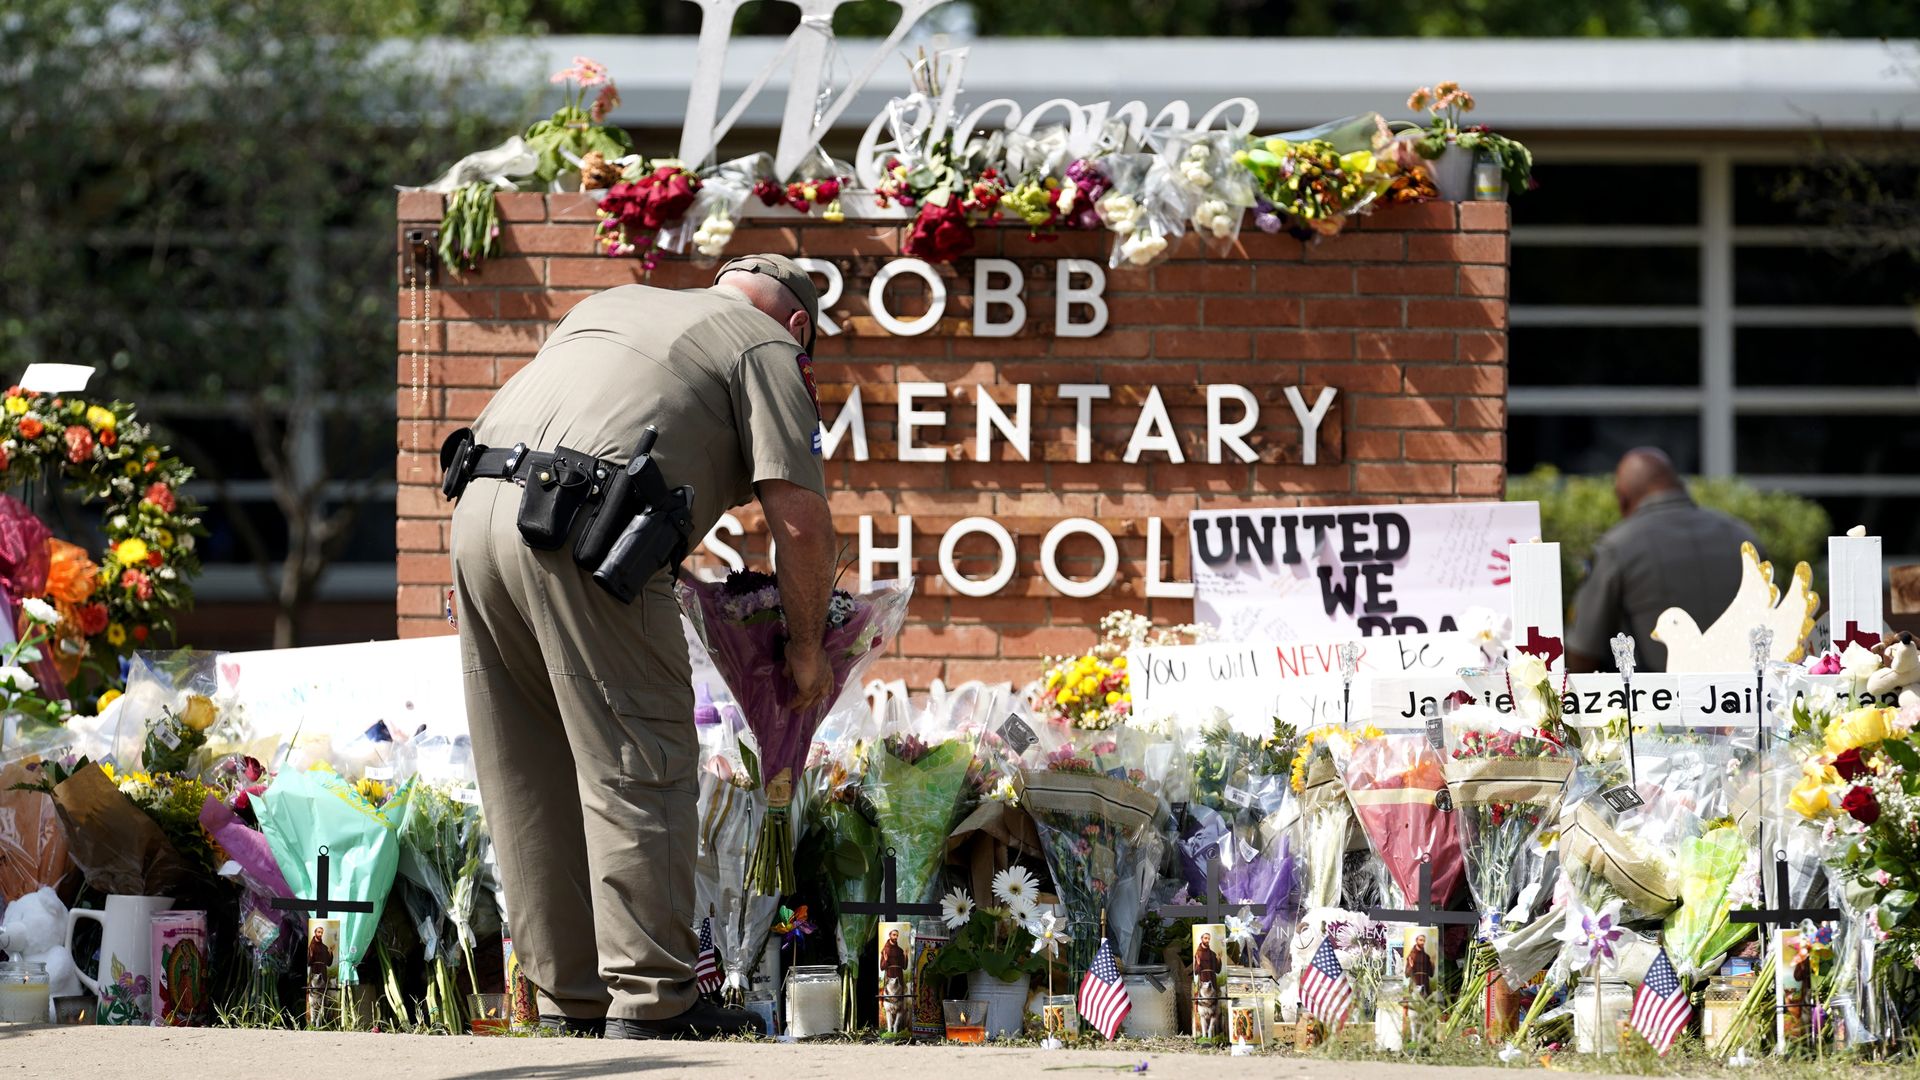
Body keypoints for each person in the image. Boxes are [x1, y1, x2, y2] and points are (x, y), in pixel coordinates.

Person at [447, 255, 836, 1040]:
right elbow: (799, 522)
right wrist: (805, 647)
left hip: (476, 511)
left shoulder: (612, 302)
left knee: (528, 766)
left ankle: (568, 998)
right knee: (640, 755)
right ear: (799, 325)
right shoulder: (766, 345)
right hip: (583, 529)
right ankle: (657, 1000)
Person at [1567, 447, 1761, 673]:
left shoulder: (1618, 547)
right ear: (1678, 485)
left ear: (1623, 499)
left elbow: (1583, 651)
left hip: (1657, 703)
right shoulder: (1743, 537)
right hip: (1743, 700)